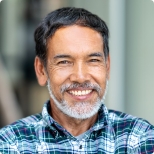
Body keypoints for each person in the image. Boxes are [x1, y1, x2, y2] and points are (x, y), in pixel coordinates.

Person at [0, 7, 154, 153]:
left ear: (107, 67)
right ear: (41, 70)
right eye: (64, 62)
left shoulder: (138, 137)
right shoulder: (12, 142)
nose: (80, 77)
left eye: (93, 60)